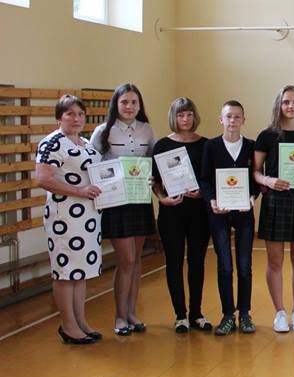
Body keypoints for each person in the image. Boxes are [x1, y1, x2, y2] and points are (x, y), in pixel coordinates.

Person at [35, 95, 103, 344]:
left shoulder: (85, 142)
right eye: (70, 114)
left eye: (80, 114)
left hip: (88, 216)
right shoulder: (52, 143)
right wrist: (79, 191)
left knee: (80, 271)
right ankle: (68, 325)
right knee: (66, 271)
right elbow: (43, 179)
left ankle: (80, 320)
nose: (76, 118)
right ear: (59, 117)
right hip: (64, 217)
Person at [253, 85, 294, 333]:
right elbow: (255, 172)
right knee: (275, 261)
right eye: (286, 102)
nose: (291, 106)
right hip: (275, 202)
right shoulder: (267, 135)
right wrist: (268, 181)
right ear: (279, 105)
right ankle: (280, 312)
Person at [90, 83, 156, 336]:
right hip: (116, 202)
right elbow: (92, 165)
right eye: (124, 102)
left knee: (136, 260)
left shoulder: (147, 129)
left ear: (140, 105)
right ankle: (119, 316)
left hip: (140, 199)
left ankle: (131, 313)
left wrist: (152, 177)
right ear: (116, 104)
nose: (129, 106)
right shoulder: (103, 131)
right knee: (126, 260)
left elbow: (152, 161)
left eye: (134, 102)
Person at [200, 100, 259, 335]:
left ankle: (244, 314)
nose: (232, 120)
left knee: (244, 265)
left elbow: (256, 178)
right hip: (219, 213)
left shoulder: (251, 146)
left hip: (244, 214)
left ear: (243, 120)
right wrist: (211, 200)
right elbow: (205, 179)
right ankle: (227, 315)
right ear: (221, 120)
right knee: (224, 266)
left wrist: (253, 196)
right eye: (228, 116)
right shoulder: (211, 146)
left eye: (237, 116)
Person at [152, 98, 211, 333]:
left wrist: (202, 192)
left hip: (199, 213)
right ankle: (180, 316)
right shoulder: (162, 145)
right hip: (171, 212)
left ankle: (196, 313)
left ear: (194, 116)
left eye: (188, 114)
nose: (185, 119)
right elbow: (155, 181)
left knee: (197, 262)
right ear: (173, 117)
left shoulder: (206, 144)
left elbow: (210, 178)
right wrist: (162, 198)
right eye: (180, 115)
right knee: (174, 262)